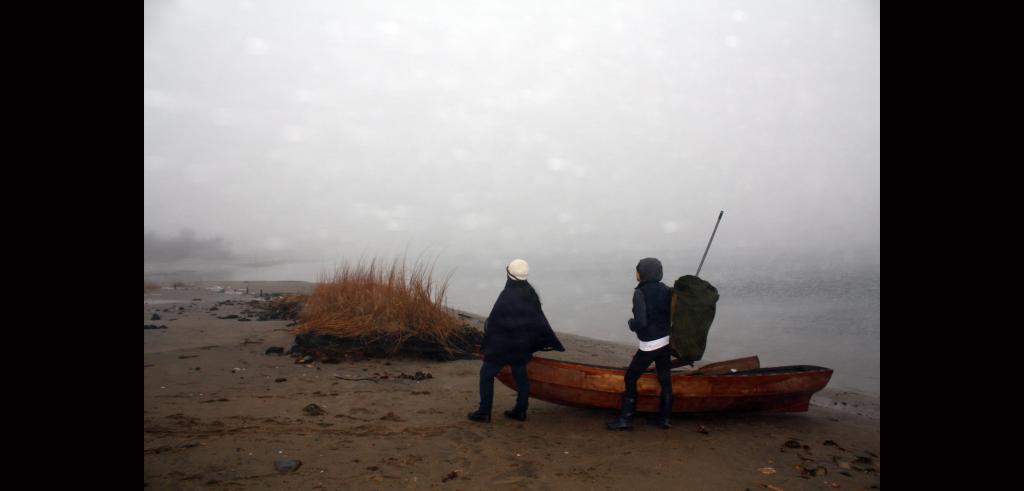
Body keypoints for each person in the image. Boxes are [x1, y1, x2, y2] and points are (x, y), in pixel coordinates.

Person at [468, 259, 565, 423]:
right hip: (522, 346)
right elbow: (538, 320)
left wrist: (488, 343)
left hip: (503, 346)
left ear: (509, 275)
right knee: (520, 375)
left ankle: (484, 412)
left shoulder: (507, 295)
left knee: (486, 375)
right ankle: (520, 410)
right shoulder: (530, 292)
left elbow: (494, 322)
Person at [607, 257, 674, 430]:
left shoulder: (640, 292)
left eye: (637, 270)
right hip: (666, 341)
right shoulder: (667, 290)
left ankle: (625, 420)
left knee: (630, 378)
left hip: (650, 344)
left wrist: (631, 323)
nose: (635, 273)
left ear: (642, 273)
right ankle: (664, 419)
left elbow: (641, 322)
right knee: (665, 380)